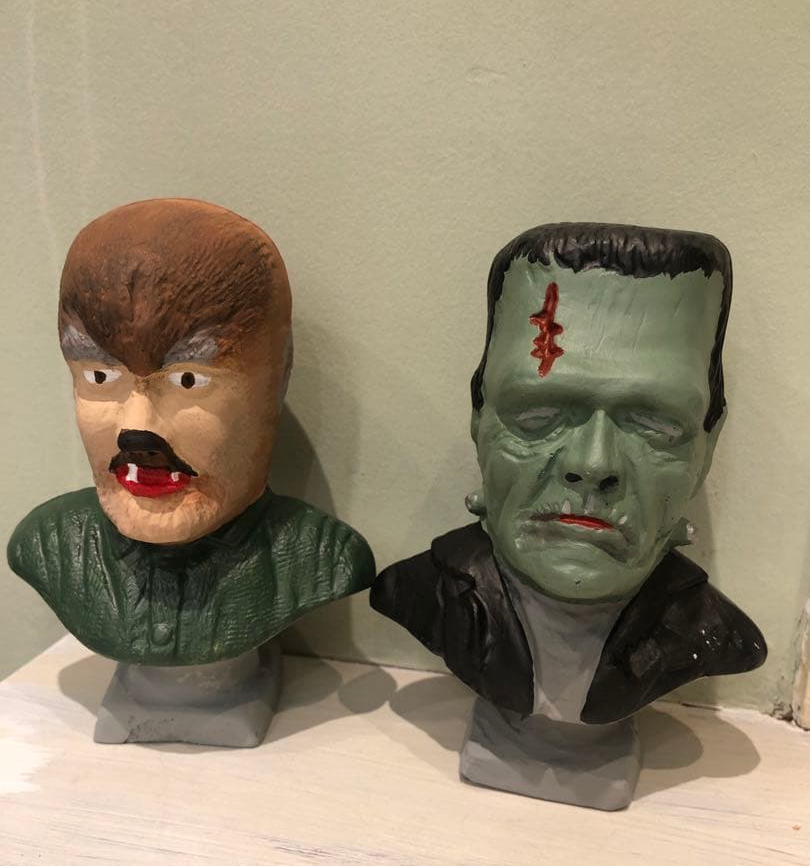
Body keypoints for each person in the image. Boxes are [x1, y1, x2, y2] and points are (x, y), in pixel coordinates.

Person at [371, 223, 766, 808]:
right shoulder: (420, 591)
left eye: (654, 425)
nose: (593, 463)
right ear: (479, 419)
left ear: (707, 446)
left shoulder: (711, 632)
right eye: (539, 416)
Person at [9, 199, 374, 744]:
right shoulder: (51, 546)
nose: (136, 429)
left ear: (277, 379)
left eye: (188, 381)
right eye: (100, 376)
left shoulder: (319, 558)